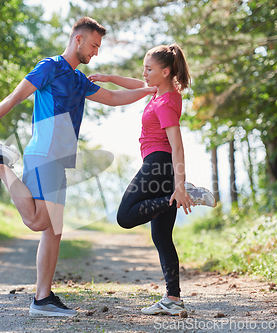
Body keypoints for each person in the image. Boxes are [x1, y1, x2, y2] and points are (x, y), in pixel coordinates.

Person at [0, 17, 156, 317]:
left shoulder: (78, 79)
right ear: (78, 40)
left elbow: (113, 98)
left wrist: (150, 91)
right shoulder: (50, 67)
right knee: (37, 222)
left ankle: (42, 299)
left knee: (53, 230)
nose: (96, 52)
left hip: (60, 158)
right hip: (44, 153)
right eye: (94, 45)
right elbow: (14, 98)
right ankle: (0, 164)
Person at [88, 43, 216, 316]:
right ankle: (173, 299)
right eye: (144, 68)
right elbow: (137, 83)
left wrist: (180, 184)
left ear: (166, 71)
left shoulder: (166, 102)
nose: (144, 73)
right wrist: (110, 78)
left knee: (125, 216)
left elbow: (177, 145)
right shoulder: (161, 91)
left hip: (158, 164)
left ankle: (184, 195)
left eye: (149, 69)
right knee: (161, 236)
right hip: (163, 167)